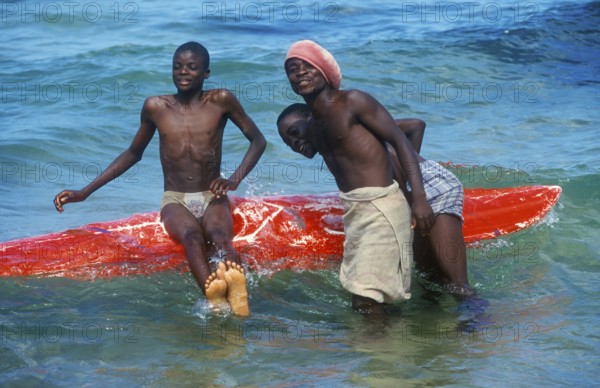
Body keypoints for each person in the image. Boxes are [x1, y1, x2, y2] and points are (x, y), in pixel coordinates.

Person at [53, 42, 267, 316]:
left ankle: (237, 290)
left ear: (206, 73)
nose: (183, 71)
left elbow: (258, 141)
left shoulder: (221, 100)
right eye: (177, 66)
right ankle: (214, 293)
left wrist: (234, 181)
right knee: (191, 237)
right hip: (175, 199)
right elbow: (132, 153)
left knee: (219, 236)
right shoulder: (156, 107)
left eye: (192, 67)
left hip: (212, 195)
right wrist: (85, 192)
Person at [283, 39, 435, 314]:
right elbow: (311, 148)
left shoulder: (353, 101)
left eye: (308, 66)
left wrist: (418, 198)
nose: (301, 73)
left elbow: (401, 141)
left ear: (324, 71)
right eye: (293, 69)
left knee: (365, 300)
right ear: (290, 82)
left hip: (381, 207)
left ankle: (378, 354)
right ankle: (392, 350)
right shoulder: (314, 127)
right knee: (374, 297)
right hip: (355, 212)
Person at [277, 103, 473, 297]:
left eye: (294, 132)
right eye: (288, 142)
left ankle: (476, 324)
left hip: (432, 188)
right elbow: (413, 128)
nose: (294, 143)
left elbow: (410, 132)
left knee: (458, 285)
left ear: (311, 118)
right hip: (409, 192)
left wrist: (412, 187)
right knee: (429, 280)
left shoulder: (345, 134)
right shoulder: (331, 147)